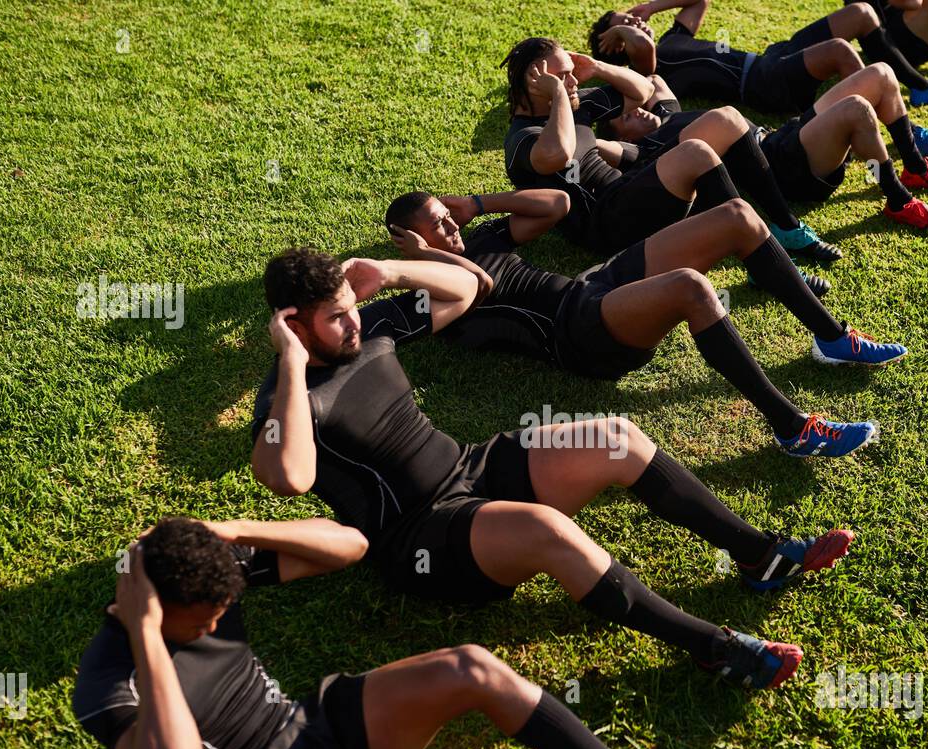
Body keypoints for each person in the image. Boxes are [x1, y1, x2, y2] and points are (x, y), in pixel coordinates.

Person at [250, 248, 859, 691]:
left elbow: (468, 291)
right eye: (335, 317)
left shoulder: (369, 328)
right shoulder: (287, 400)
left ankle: (759, 555)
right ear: (294, 325)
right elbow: (290, 477)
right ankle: (714, 649)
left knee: (615, 439)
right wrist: (295, 367)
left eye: (351, 307)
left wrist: (388, 273)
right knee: (547, 531)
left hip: (472, 468)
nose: (354, 320)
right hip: (421, 536)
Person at [73, 518, 749, 749]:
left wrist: (235, 534)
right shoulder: (106, 681)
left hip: (309, 723)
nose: (220, 623)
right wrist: (148, 636)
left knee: (472, 667)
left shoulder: (204, 583)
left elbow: (351, 543)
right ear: (153, 605)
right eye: (205, 617)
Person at [383, 187, 880, 458]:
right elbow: (480, 287)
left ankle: (831, 338)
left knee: (736, 214)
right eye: (437, 223)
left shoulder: (482, 240)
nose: (450, 226)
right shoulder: (431, 289)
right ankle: (791, 427)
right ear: (410, 241)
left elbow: (558, 204)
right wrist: (426, 255)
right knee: (690, 287)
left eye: (446, 216)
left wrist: (478, 205)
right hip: (577, 334)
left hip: (593, 287)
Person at [498, 36, 837, 288]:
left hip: (630, 186)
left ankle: (786, 228)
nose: (572, 82)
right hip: (606, 222)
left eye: (572, 75)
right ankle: (766, 265)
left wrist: (598, 68)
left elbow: (644, 90)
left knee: (727, 120)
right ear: (535, 80)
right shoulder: (522, 138)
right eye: (563, 76)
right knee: (696, 153)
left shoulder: (576, 106)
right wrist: (558, 94)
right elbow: (556, 153)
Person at [601, 72, 928, 230]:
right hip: (785, 167)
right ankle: (898, 200)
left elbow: (652, 81)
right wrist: (577, 108)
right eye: (623, 117)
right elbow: (590, 147)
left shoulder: (668, 113)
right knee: (856, 108)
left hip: (783, 136)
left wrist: (599, 68)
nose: (635, 109)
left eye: (630, 105)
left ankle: (914, 166)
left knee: (882, 75)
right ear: (623, 138)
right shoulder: (647, 149)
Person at [589, 0, 928, 107]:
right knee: (839, 51)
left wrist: (651, 8)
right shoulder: (645, 69)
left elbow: (699, 0)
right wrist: (623, 28)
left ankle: (918, 87)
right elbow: (642, 50)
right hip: (760, 83)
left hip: (771, 57)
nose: (637, 24)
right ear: (614, 44)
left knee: (861, 13)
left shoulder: (670, 37)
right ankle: (894, 117)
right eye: (627, 25)